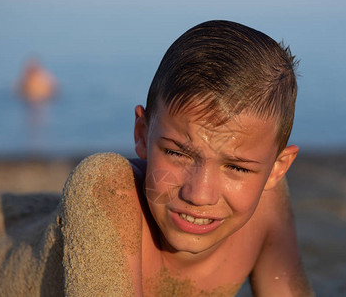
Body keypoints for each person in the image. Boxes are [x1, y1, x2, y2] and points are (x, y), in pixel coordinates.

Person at [78, 19, 311, 296]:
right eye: (176, 153)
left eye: (236, 168)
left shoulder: (267, 204)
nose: (199, 195)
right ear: (142, 134)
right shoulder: (109, 189)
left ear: (276, 169)